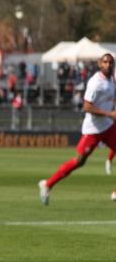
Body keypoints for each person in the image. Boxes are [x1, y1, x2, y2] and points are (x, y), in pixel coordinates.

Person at [39, 53, 116, 205]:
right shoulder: (95, 83)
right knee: (79, 161)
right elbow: (87, 107)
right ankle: (47, 185)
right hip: (93, 130)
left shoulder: (112, 79)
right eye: (105, 62)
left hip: (108, 127)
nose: (108, 65)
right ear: (100, 64)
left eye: (111, 63)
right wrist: (109, 114)